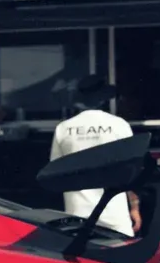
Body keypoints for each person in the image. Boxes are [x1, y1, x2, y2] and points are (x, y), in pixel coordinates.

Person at [49, 82, 136, 236]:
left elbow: (54, 173)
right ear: (104, 99)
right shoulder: (119, 125)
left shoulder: (63, 128)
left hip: (77, 214)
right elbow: (131, 170)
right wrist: (134, 207)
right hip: (115, 215)